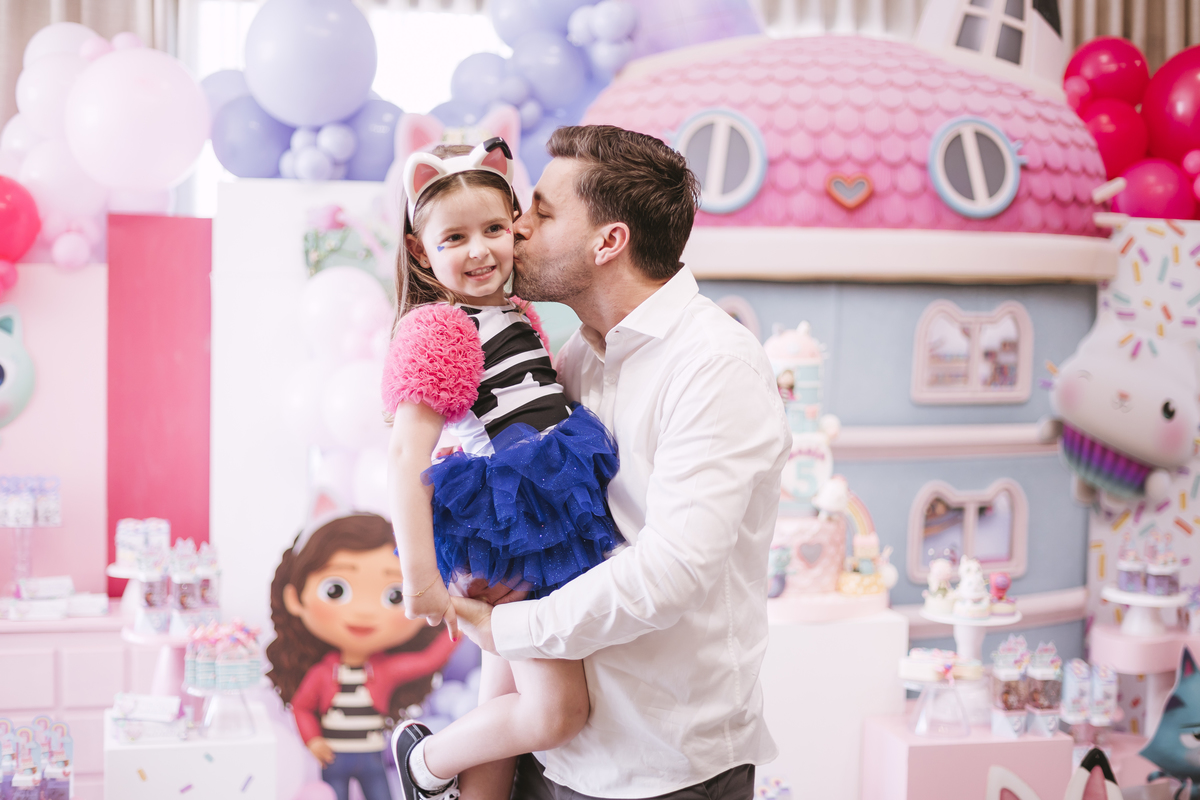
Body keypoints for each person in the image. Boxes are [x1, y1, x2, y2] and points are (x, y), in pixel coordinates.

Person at [450, 125, 792, 800]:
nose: (516, 228)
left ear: (609, 242)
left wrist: (505, 629)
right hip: (554, 750)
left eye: (542, 212)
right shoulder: (579, 354)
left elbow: (670, 573)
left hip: (662, 767)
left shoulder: (714, 365)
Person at [383, 138, 622, 800]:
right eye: (454, 238)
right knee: (555, 713)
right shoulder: (441, 328)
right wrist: (420, 580)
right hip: (513, 528)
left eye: (493, 228)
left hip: (541, 512)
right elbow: (404, 456)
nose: (480, 250)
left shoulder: (516, 313)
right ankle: (425, 764)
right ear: (420, 252)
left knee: (503, 698)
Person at [266, 512, 458, 800]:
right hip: (333, 757)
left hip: (371, 757)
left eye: (395, 595)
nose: (365, 611)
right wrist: (313, 740)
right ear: (295, 599)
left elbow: (429, 660)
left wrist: (460, 620)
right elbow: (302, 707)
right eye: (335, 590)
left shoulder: (385, 671)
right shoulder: (322, 673)